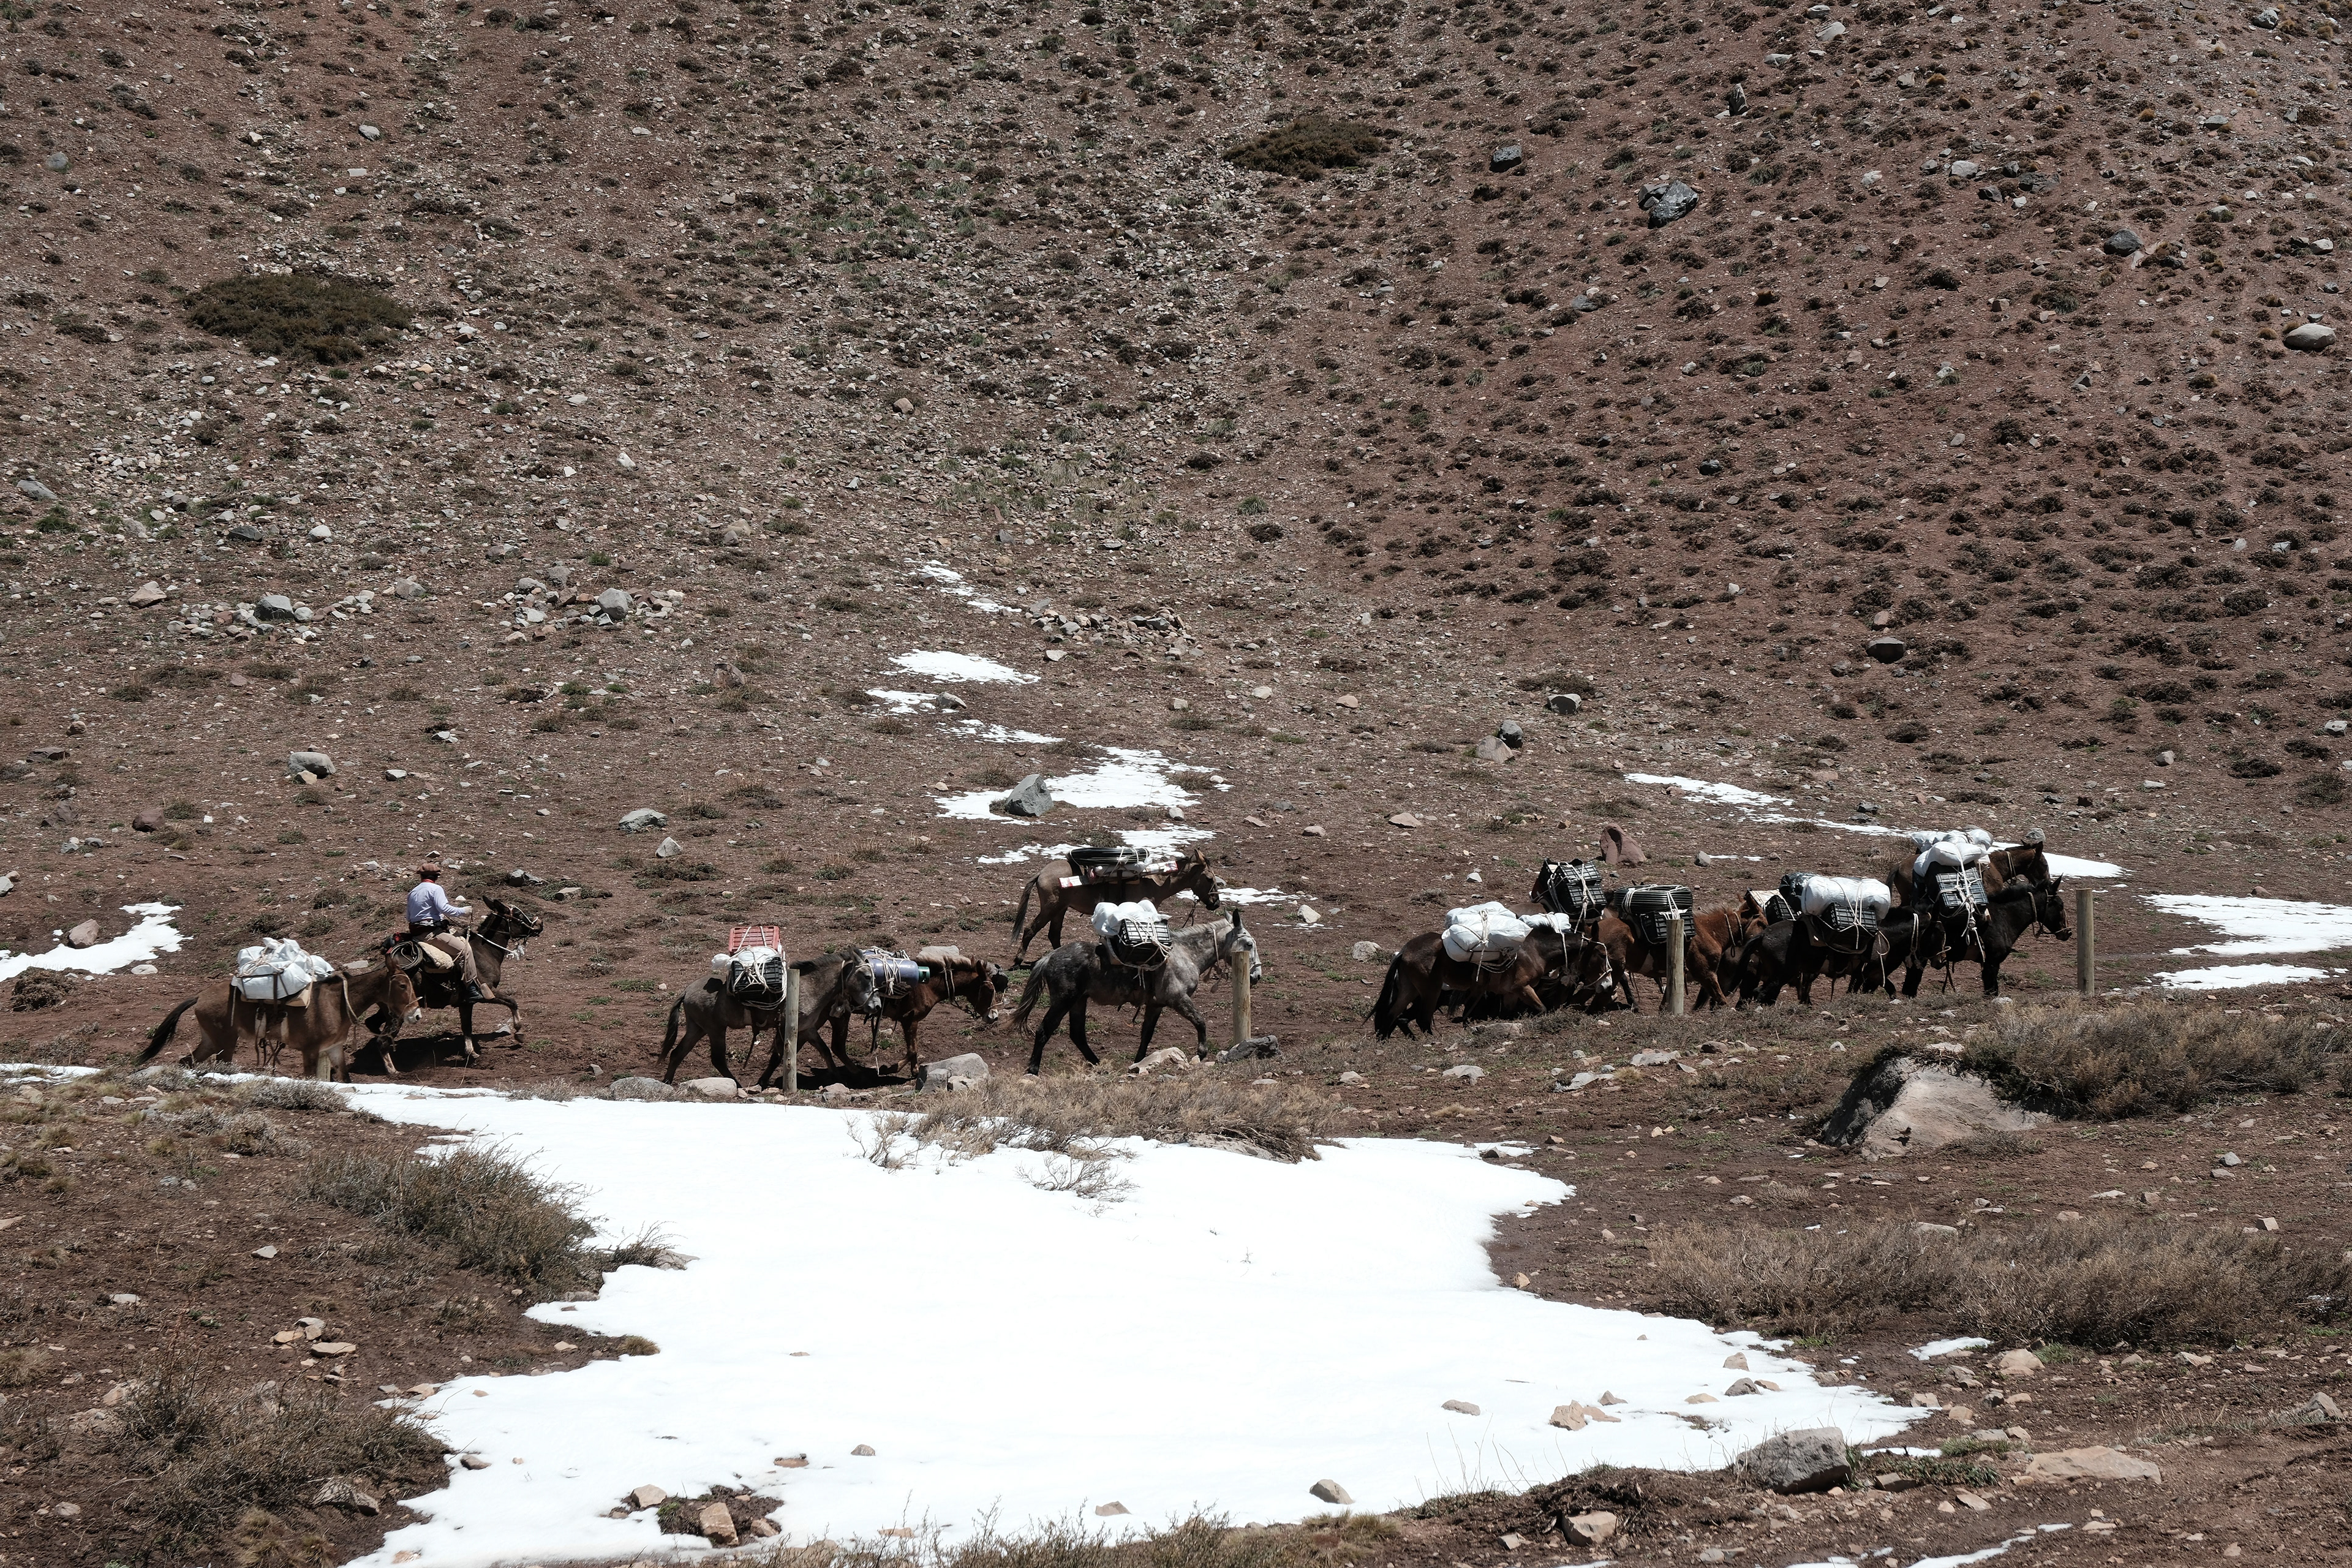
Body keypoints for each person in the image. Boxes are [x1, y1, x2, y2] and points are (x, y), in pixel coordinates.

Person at [406, 861, 489, 1000]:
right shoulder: (435, 889)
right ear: (436, 877)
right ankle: (471, 989)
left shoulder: (413, 892)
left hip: (416, 933)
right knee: (465, 951)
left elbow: (408, 917)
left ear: (421, 876)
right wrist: (464, 911)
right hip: (431, 934)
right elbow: (445, 908)